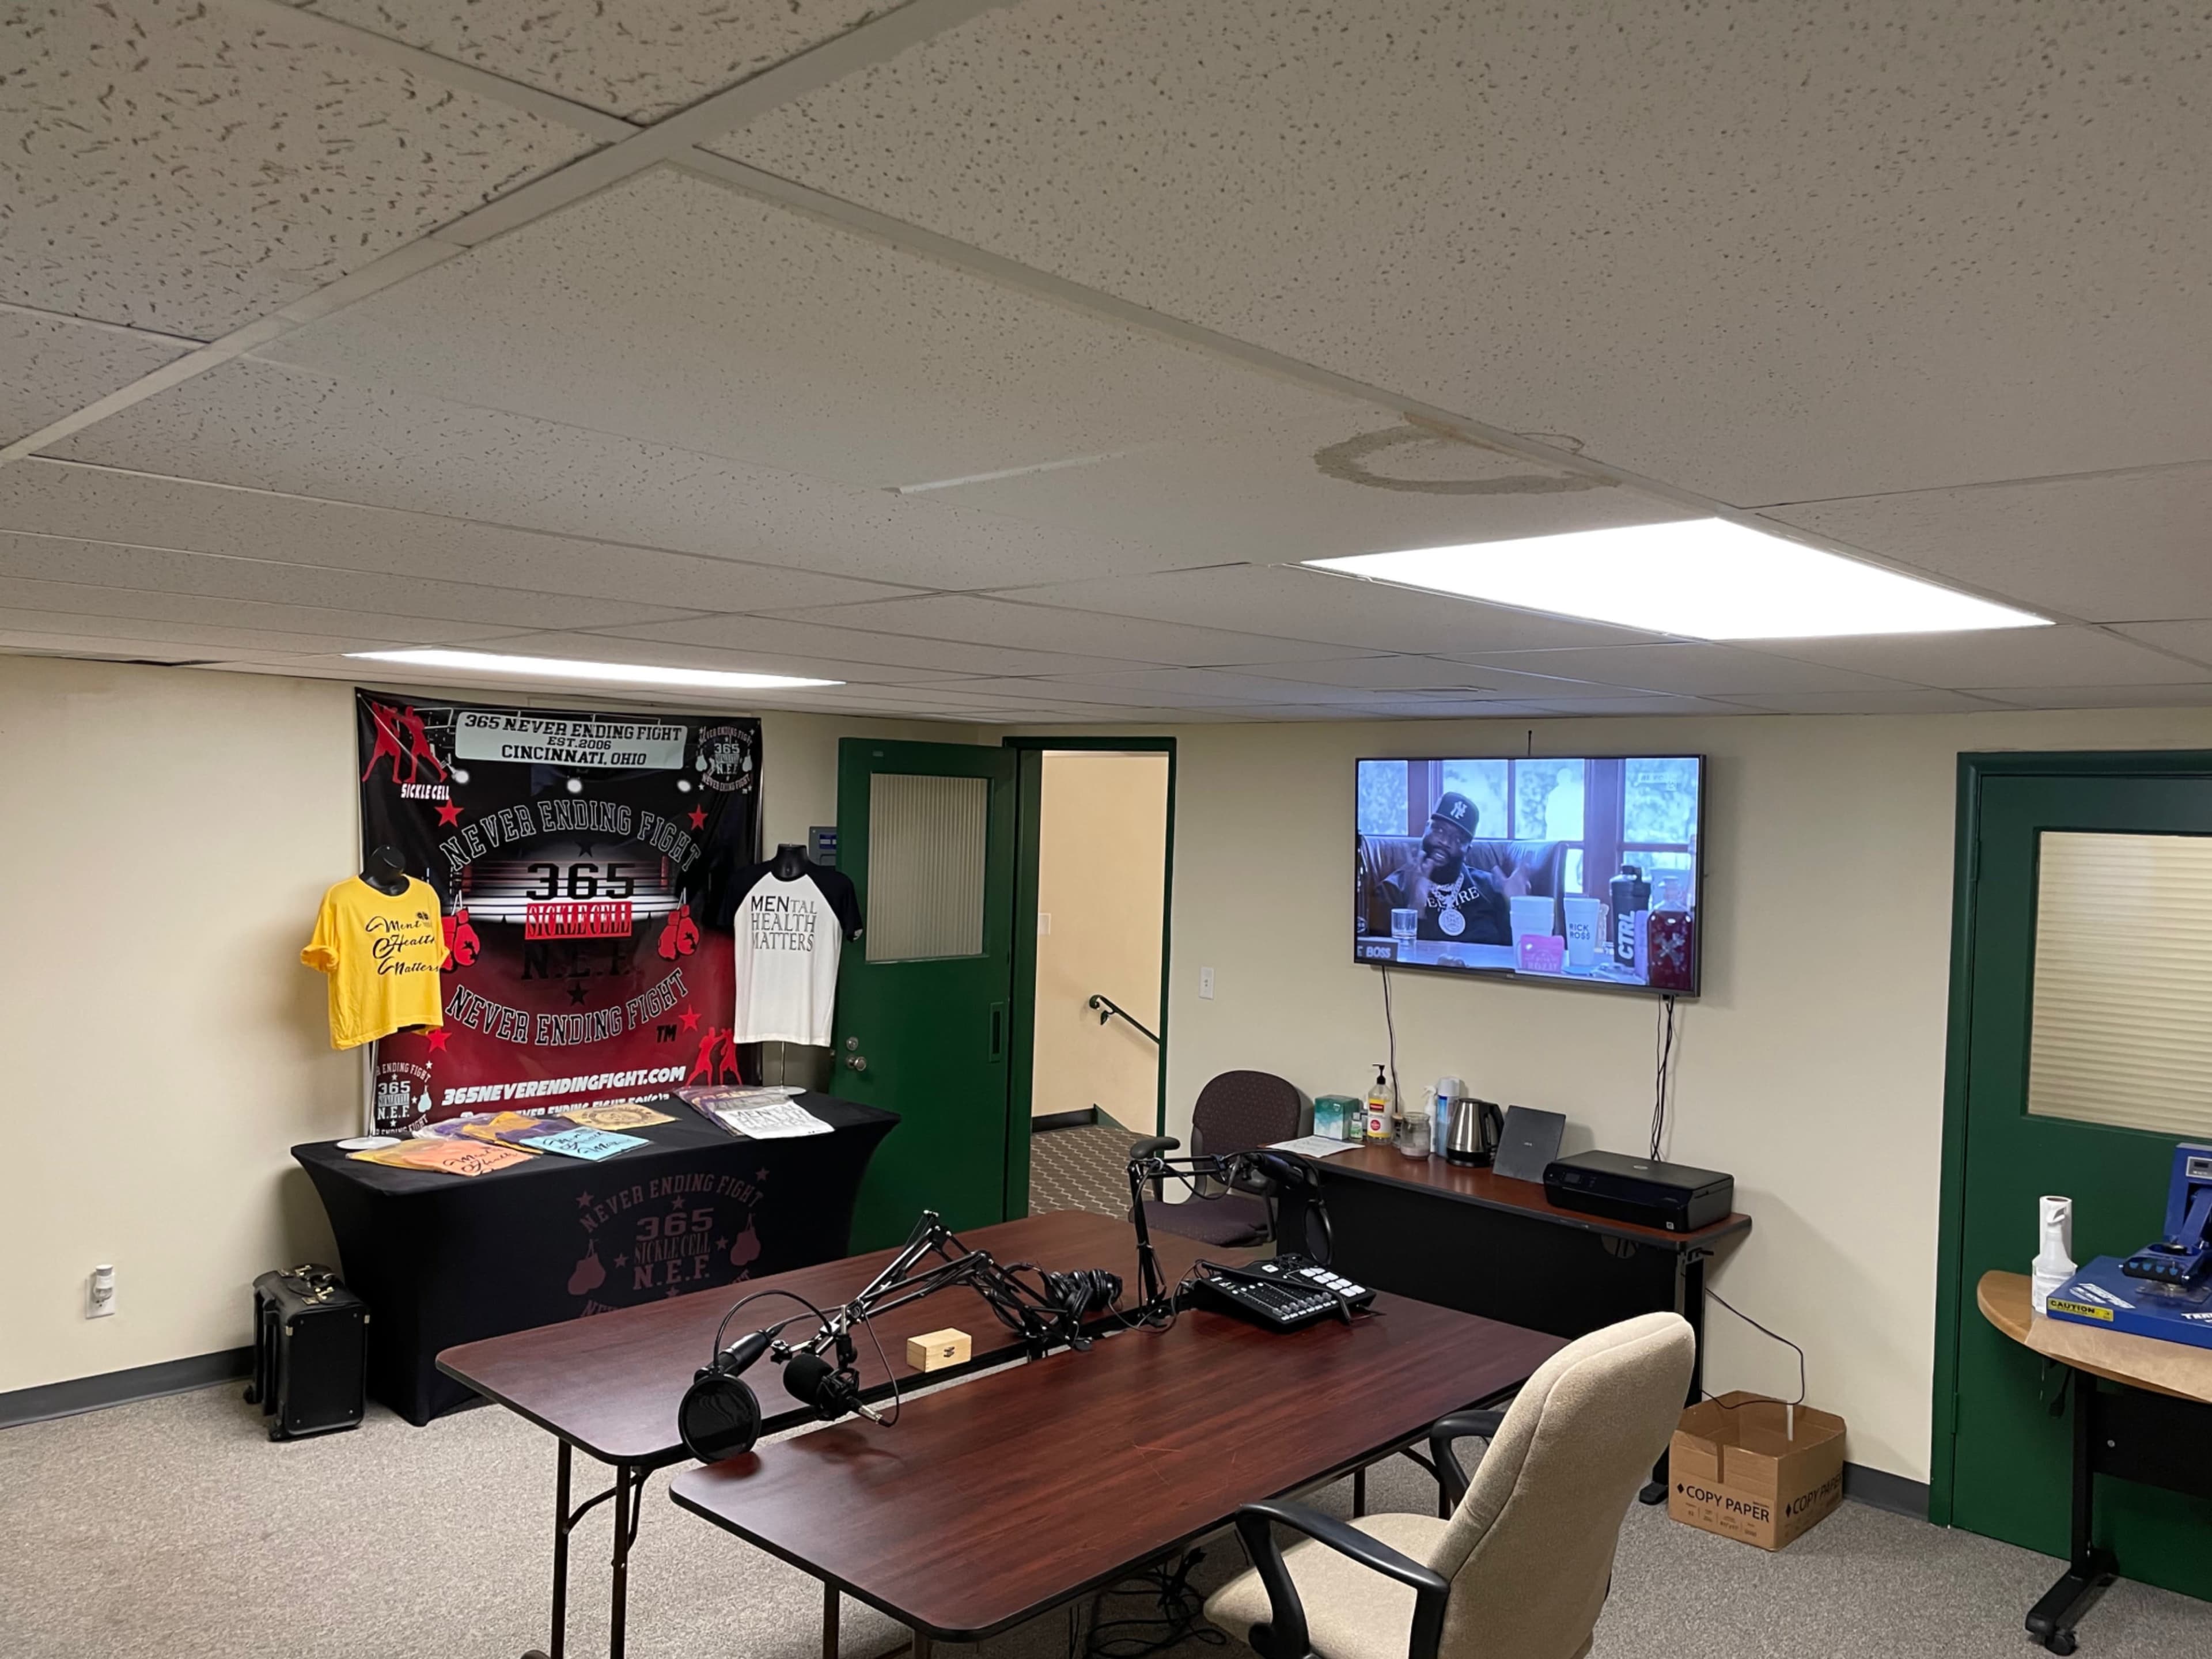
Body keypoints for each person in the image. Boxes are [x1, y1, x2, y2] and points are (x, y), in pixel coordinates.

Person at [1378, 791, 1520, 944]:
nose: (1445, 842)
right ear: (1426, 829)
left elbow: (1513, 952)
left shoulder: (1491, 888)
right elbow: (1388, 957)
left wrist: (1517, 906)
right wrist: (1416, 904)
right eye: (1439, 831)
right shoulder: (1391, 890)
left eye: (1459, 839)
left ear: (1468, 851)